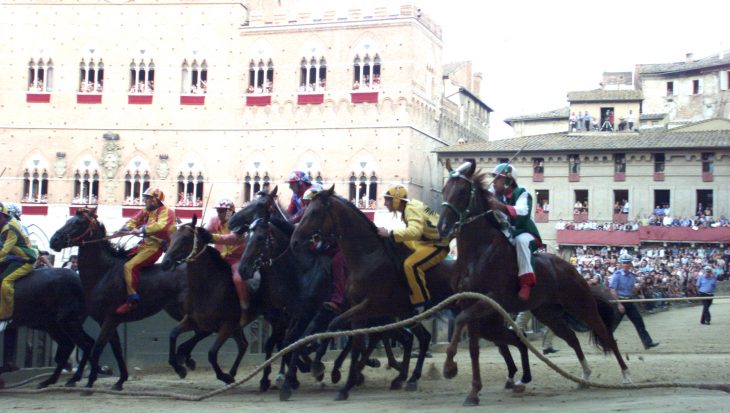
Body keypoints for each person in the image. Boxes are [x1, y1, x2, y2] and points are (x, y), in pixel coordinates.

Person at [377, 185, 449, 311]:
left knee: (410, 265)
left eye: (388, 199)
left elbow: (415, 232)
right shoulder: (409, 207)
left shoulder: (410, 209)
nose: (385, 203)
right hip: (425, 241)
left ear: (396, 199)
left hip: (437, 244)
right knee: (398, 244)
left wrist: (390, 233)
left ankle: (422, 303)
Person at [113, 187, 176, 315]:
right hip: (142, 246)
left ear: (155, 201)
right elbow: (133, 221)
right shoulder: (145, 211)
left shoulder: (167, 212)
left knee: (129, 266)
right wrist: (121, 230)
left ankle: (132, 301)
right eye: (145, 198)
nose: (145, 201)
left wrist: (142, 229)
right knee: (119, 260)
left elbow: (161, 226)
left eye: (147, 198)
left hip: (155, 248)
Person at [487, 164, 542, 301]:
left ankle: (526, 282)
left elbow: (523, 212)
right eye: (494, 178)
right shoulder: (494, 194)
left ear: (508, 181)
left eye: (497, 178)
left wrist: (500, 206)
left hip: (526, 233)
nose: (494, 182)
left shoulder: (522, 193)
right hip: (507, 234)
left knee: (521, 240)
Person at [301, 186, 348, 314]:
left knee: (337, 262)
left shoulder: (332, 214)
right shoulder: (310, 213)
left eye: (308, 203)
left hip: (341, 247)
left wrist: (319, 243)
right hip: (328, 247)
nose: (306, 206)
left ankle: (338, 299)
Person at [206, 198, 248, 319]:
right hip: (219, 257)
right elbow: (206, 231)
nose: (219, 213)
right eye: (218, 211)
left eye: (222, 211)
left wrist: (210, 237)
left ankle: (244, 308)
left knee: (239, 279)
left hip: (236, 258)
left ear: (230, 212)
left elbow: (232, 239)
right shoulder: (214, 220)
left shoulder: (239, 222)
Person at [0, 202, 39, 332]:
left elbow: (4, 251)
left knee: (6, 282)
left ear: (4, 215)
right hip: (17, 256)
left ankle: (6, 316)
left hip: (25, 259)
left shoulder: (10, 228)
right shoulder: (6, 224)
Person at [609, 254, 660, 349]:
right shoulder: (616, 275)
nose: (626, 264)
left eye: (628, 262)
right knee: (613, 324)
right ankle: (605, 342)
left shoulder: (632, 276)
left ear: (630, 264)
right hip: (619, 302)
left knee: (639, 321)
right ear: (621, 264)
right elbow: (612, 290)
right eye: (624, 263)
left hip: (629, 301)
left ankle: (647, 343)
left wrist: (637, 289)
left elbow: (632, 291)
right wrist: (619, 304)